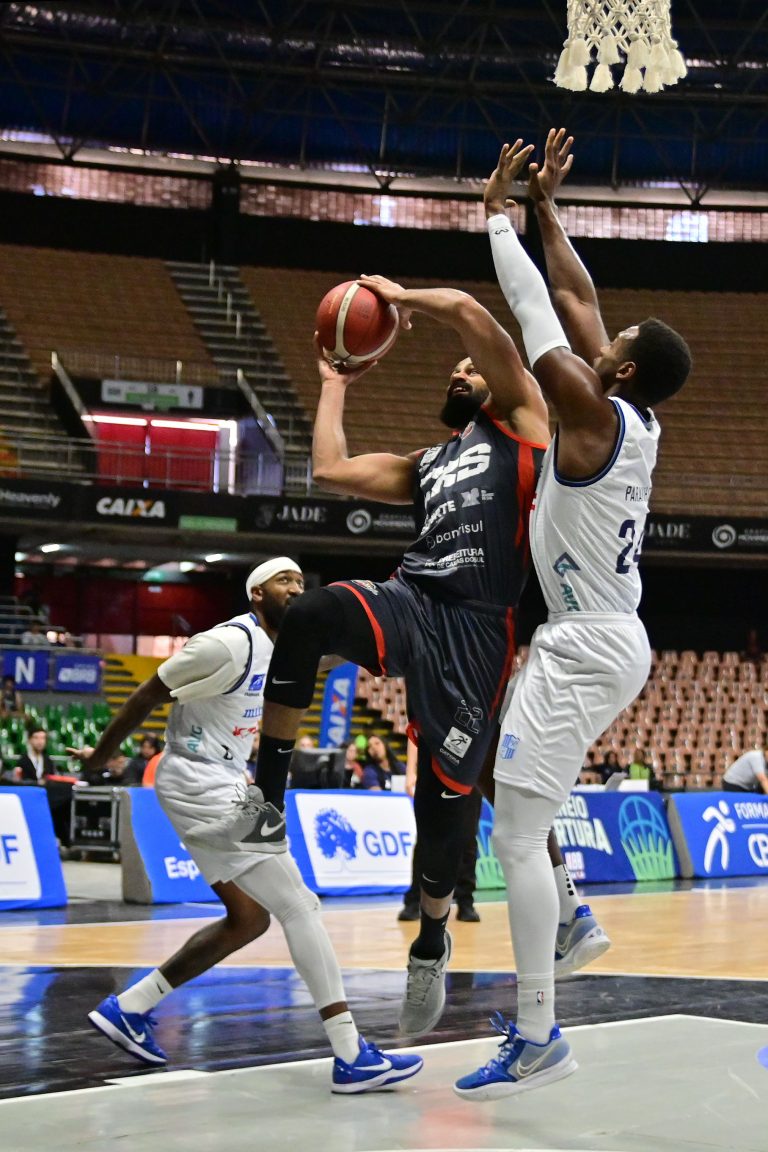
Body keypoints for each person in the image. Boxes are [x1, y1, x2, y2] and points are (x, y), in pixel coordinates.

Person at [193, 280, 552, 1040]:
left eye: (471, 368)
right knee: (311, 612)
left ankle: (431, 938)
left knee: (443, 810)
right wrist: (334, 382)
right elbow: (330, 469)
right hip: (412, 597)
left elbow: (472, 315)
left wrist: (397, 295)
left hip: (476, 630)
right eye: (455, 367)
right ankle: (268, 803)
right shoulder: (428, 462)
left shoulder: (525, 423)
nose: (458, 371)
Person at [454, 129, 692, 1101]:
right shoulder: (635, 411)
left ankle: (540, 1032)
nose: (606, 337)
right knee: (518, 811)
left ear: (621, 373)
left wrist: (495, 221)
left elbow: (538, 318)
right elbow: (582, 302)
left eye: (618, 346)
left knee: (514, 836)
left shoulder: (591, 413)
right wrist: (548, 208)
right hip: (607, 634)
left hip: (587, 641)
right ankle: (571, 923)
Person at [69, 557, 421, 1093]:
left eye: (302, 581)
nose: (296, 587)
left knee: (249, 919)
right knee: (300, 905)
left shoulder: (285, 646)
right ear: (256, 593)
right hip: (203, 781)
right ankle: (351, 1053)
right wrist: (100, 757)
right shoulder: (227, 644)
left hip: (220, 781)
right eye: (284, 580)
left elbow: (329, 657)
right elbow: (146, 694)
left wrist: (391, 631)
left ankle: (130, 1007)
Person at [399, 737, 482, 923]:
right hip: (434, 763)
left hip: (469, 768)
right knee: (427, 837)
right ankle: (414, 899)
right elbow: (415, 729)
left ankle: (465, 900)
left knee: (467, 838)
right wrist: (410, 771)